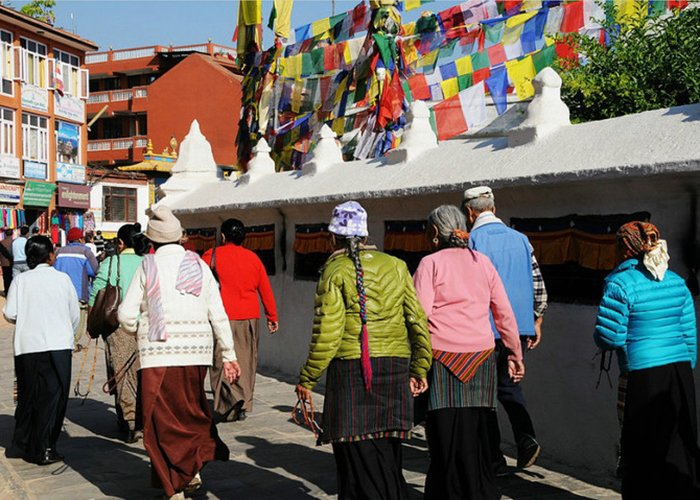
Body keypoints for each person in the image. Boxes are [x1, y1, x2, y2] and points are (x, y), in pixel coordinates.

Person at [295, 201, 432, 500]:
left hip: (351, 371)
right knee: (387, 450)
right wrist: (420, 365)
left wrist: (308, 378)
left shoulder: (334, 271)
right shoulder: (396, 266)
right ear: (367, 234)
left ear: (333, 238)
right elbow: (417, 320)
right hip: (394, 367)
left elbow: (327, 335)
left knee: (356, 455)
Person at [117, 205, 241, 500]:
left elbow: (125, 314)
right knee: (190, 413)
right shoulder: (199, 265)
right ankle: (190, 471)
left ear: (152, 240)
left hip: (158, 355)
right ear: (179, 238)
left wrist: (139, 332)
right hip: (196, 354)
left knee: (159, 422)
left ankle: (176, 484)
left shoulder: (147, 266)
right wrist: (229, 354)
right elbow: (218, 312)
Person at [413, 205, 524, 500]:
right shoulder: (483, 263)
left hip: (441, 358)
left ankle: (447, 492)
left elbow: (418, 316)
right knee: (476, 431)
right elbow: (504, 312)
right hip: (481, 358)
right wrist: (515, 353)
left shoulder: (430, 264)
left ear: (435, 233)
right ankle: (479, 490)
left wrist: (415, 364)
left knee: (445, 433)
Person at [594, 221, 700, 499]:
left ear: (624, 249)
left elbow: (611, 338)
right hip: (678, 374)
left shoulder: (619, 283)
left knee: (640, 448)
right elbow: (689, 334)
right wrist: (684, 368)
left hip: (641, 376)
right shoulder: (676, 282)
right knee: (678, 443)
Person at [463, 186, 547, 471]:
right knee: (510, 387)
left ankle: (494, 457)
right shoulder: (521, 239)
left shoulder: (472, 241)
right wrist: (536, 320)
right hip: (519, 327)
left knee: (484, 395)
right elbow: (538, 282)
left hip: (484, 328)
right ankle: (525, 437)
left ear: (469, 212)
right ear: (494, 209)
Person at [3, 236, 80, 465]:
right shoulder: (62, 279)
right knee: (54, 397)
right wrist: (67, 333)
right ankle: (45, 447)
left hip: (28, 346)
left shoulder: (21, 281)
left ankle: (23, 443)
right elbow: (74, 314)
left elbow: (10, 313)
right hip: (58, 345)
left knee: (29, 396)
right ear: (50, 255)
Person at [202, 219, 279, 422]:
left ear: (224, 237)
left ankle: (228, 400)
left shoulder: (211, 255)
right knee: (246, 360)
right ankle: (243, 401)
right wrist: (272, 316)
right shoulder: (253, 258)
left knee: (220, 361)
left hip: (220, 316)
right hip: (248, 317)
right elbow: (265, 289)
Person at [89, 224, 145, 443]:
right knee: (144, 373)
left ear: (120, 243)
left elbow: (96, 294)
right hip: (147, 327)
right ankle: (145, 418)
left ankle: (130, 421)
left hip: (118, 327)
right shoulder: (148, 263)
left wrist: (91, 324)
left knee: (122, 372)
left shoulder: (111, 263)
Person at [54, 227, 99, 348]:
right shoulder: (86, 252)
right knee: (79, 321)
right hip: (79, 293)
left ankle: (63, 343)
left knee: (63, 320)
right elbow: (94, 271)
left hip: (60, 293)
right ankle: (72, 344)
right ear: (80, 239)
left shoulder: (59, 252)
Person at [0, 229, 13, 294]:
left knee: (6, 278)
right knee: (12, 277)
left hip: (4, 263)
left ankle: (7, 291)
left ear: (5, 234)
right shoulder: (13, 242)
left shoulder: (1, 242)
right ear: (12, 234)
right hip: (12, 262)